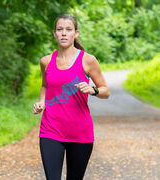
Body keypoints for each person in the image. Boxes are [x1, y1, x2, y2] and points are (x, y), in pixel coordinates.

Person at [33, 14, 110, 180]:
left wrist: (93, 90)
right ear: (54, 33)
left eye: (68, 30)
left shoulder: (88, 60)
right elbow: (45, 86)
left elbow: (105, 91)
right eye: (60, 29)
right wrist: (41, 102)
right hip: (50, 129)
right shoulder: (46, 61)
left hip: (80, 132)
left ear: (76, 33)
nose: (64, 33)